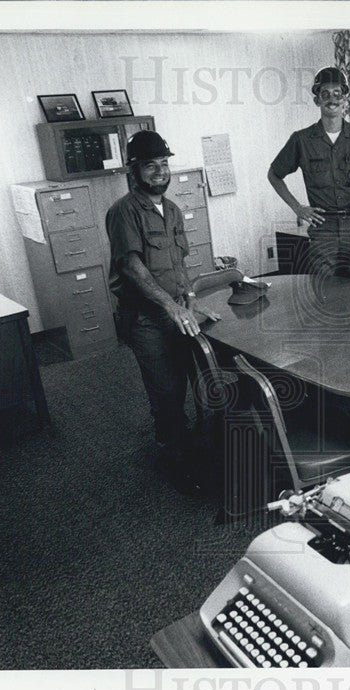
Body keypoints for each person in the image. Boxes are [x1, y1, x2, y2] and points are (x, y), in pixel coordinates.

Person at [105, 129, 221, 493]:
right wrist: (171, 307)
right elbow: (133, 269)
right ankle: (176, 460)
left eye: (164, 164)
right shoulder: (124, 212)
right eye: (150, 166)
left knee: (195, 376)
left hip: (176, 311)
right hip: (147, 319)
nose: (160, 172)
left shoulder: (171, 210)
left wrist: (189, 298)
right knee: (167, 392)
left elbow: (180, 261)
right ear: (135, 171)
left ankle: (192, 444)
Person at [268, 66, 350, 282]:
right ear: (317, 100)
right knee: (324, 292)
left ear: (345, 99)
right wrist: (297, 207)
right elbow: (274, 175)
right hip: (323, 230)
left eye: (338, 93)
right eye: (325, 94)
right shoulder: (301, 140)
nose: (332, 99)